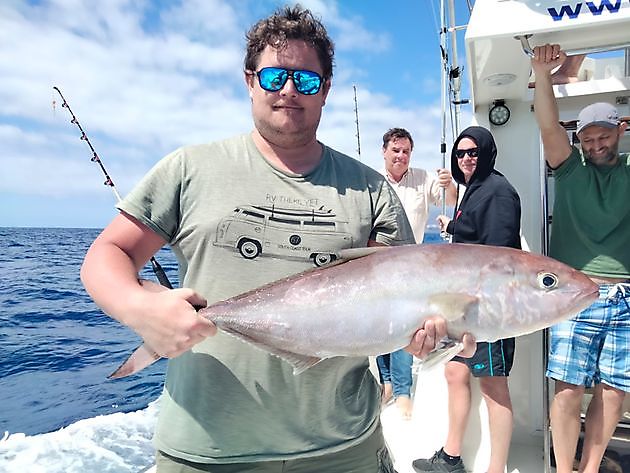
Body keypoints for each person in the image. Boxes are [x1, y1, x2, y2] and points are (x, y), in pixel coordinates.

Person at [80, 6, 475, 473]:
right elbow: (108, 254)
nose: (289, 90)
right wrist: (138, 307)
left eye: (306, 81)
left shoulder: (371, 189)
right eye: (274, 77)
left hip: (343, 448)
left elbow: (404, 298)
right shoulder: (189, 169)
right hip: (207, 451)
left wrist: (431, 335)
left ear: (325, 91)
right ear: (250, 80)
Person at [531, 43, 629, 473]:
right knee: (567, 389)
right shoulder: (569, 169)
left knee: (613, 390)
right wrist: (542, 72)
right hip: (574, 294)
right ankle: (565, 468)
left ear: (620, 131)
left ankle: (590, 468)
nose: (595, 145)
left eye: (604, 136)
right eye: (588, 139)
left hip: (625, 295)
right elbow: (548, 125)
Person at [412, 126, 521, 473]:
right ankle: (452, 456)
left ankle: (495, 468)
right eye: (460, 153)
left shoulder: (498, 192)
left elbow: (498, 259)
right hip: (461, 310)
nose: (466, 159)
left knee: (493, 387)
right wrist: (452, 228)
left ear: (487, 152)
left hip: (487, 311)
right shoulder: (471, 191)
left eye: (473, 152)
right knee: (455, 374)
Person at [376, 127, 457, 420]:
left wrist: (448, 183)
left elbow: (448, 196)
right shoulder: (372, 182)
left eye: (406, 151)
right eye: (396, 150)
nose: (401, 156)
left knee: (404, 328)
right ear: (384, 151)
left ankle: (402, 392)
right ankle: (386, 382)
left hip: (411, 269)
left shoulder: (423, 178)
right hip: (377, 267)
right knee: (378, 328)